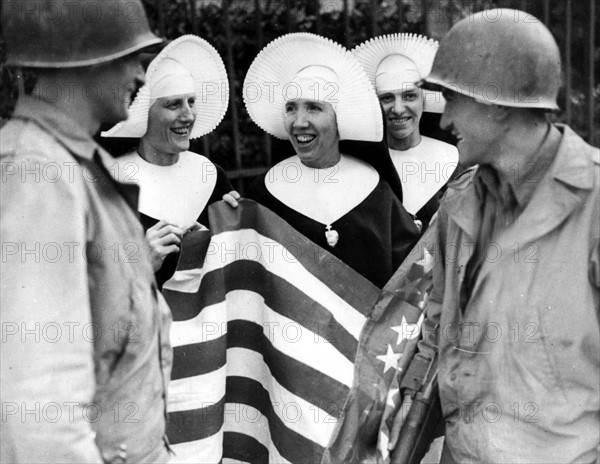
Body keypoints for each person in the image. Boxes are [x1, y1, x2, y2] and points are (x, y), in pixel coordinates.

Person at [391, 9, 600, 463]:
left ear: (498, 103)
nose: (444, 122)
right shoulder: (460, 201)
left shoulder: (595, 200)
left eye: (453, 100)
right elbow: (440, 317)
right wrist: (411, 397)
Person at [0, 1, 173, 462]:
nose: (141, 75)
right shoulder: (37, 174)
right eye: (131, 56)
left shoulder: (75, 166)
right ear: (89, 57)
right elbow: (42, 404)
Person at [241, 32, 420, 288]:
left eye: (314, 107)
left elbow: (410, 281)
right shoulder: (263, 194)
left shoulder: (377, 193)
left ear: (340, 119)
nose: (299, 122)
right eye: (291, 108)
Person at [103, 35, 232, 289]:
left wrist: (235, 227)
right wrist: (141, 264)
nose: (188, 115)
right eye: (173, 105)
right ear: (143, 115)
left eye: (191, 102)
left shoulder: (211, 176)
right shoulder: (110, 186)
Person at [353, 33, 459, 232]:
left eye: (409, 96)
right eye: (387, 98)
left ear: (423, 99)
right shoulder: (366, 165)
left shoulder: (454, 160)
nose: (398, 109)